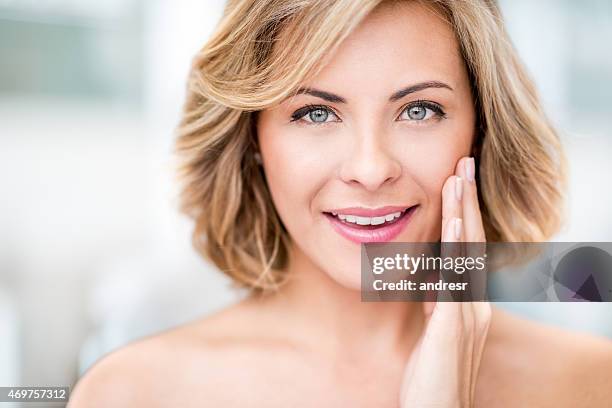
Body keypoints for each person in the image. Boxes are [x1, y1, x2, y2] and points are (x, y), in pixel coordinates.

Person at [69, 0, 612, 406]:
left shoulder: (590, 383)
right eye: (316, 113)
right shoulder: (133, 393)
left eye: (419, 110)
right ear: (252, 140)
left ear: (481, 130)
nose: (371, 169)